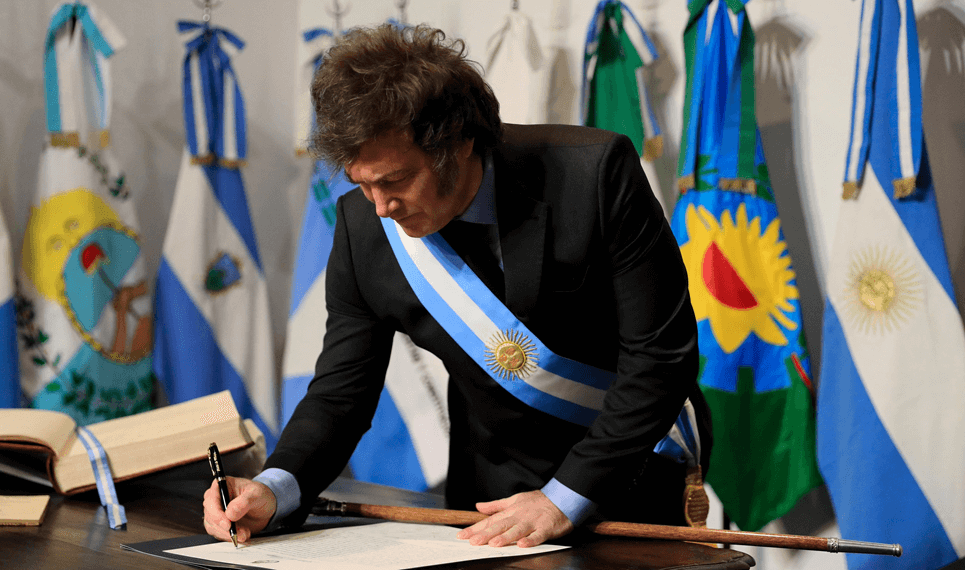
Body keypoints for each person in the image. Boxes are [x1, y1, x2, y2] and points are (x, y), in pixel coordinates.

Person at [203, 23, 712, 549]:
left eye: (395, 180)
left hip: (628, 479)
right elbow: (341, 392)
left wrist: (563, 499)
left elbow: (660, 357)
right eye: (362, 184)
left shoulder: (595, 175)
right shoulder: (362, 228)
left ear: (459, 141)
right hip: (489, 497)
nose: (381, 207)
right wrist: (273, 488)